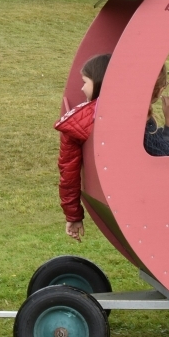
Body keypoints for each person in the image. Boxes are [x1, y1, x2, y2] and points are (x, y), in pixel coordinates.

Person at [57, 53, 111, 242]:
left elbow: (68, 171)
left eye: (85, 82)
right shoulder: (132, 111)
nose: (81, 87)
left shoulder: (77, 122)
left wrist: (73, 215)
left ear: (99, 83)